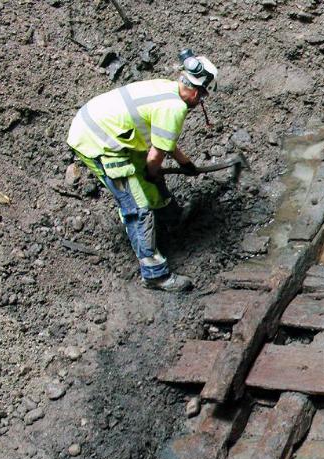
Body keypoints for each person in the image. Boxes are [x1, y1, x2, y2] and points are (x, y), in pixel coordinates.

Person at [66, 49, 219, 291]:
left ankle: (172, 219)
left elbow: (163, 140)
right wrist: (152, 170)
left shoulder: (168, 88)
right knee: (138, 208)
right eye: (202, 97)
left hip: (111, 132)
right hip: (99, 143)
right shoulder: (176, 108)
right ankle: (155, 274)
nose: (200, 102)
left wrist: (184, 164)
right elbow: (157, 154)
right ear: (196, 90)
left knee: (151, 181)